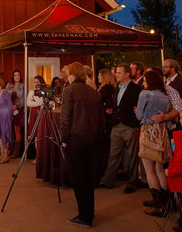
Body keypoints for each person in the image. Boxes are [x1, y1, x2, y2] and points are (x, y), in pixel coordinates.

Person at [60, 62, 105, 228]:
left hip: (76, 139)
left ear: (72, 75)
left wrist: (63, 139)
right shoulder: (93, 92)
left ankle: (84, 216)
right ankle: (89, 212)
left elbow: (65, 119)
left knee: (79, 179)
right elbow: (101, 118)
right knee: (88, 177)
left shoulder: (69, 90)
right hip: (93, 138)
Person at [98, 64, 141, 192]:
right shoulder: (117, 88)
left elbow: (138, 107)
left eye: (119, 73)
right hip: (116, 125)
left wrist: (135, 125)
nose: (116, 75)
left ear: (127, 74)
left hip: (130, 126)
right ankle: (107, 180)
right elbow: (116, 104)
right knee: (114, 154)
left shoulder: (136, 89)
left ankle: (132, 183)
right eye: (116, 72)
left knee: (131, 155)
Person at [136, 70, 172, 216]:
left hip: (148, 132)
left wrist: (138, 112)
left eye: (144, 80)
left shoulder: (145, 94)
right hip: (162, 132)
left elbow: (139, 115)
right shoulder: (165, 96)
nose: (143, 83)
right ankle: (167, 203)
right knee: (160, 169)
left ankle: (159, 205)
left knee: (149, 170)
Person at [0, 76, 15, 164]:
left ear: (1, 85)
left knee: (5, 135)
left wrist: (9, 117)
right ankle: (2, 154)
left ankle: (6, 155)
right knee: (0, 136)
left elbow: (10, 106)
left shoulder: (6, 93)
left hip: (5, 116)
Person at [6, 70, 25, 158]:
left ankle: (16, 151)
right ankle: (11, 149)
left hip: (19, 110)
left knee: (17, 129)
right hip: (9, 109)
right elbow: (5, 96)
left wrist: (17, 106)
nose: (17, 77)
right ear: (13, 77)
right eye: (15, 75)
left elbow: (23, 99)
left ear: (20, 76)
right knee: (10, 129)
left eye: (18, 75)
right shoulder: (9, 85)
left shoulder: (23, 86)